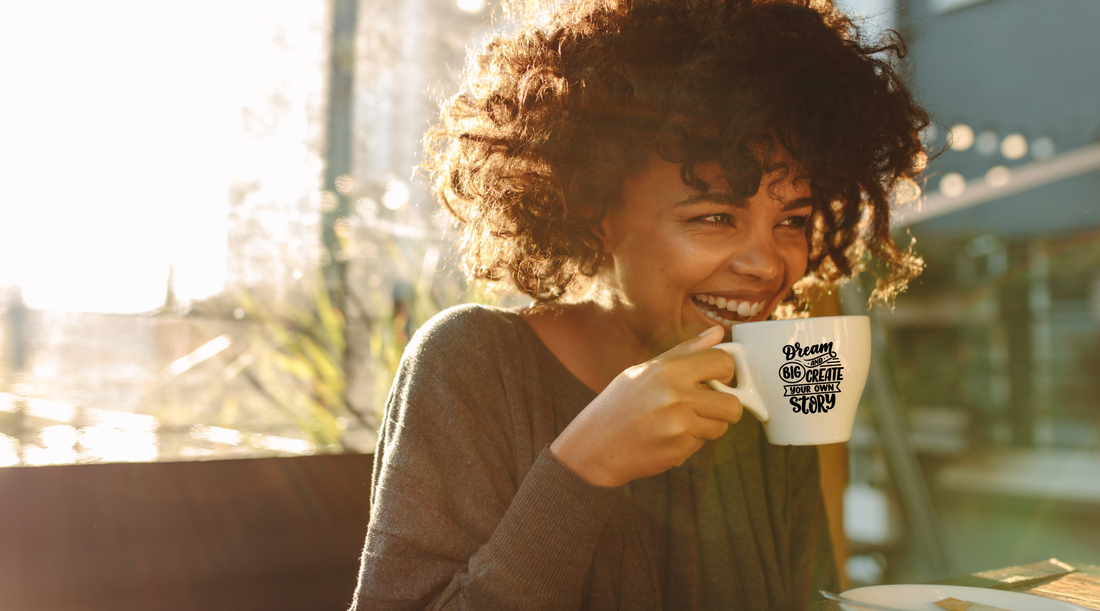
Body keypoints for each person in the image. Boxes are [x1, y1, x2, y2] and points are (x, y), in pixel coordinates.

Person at [350, 0, 929, 608]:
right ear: (591, 210)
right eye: (714, 216)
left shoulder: (775, 379)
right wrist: (583, 467)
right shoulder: (471, 362)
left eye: (793, 220)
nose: (768, 264)